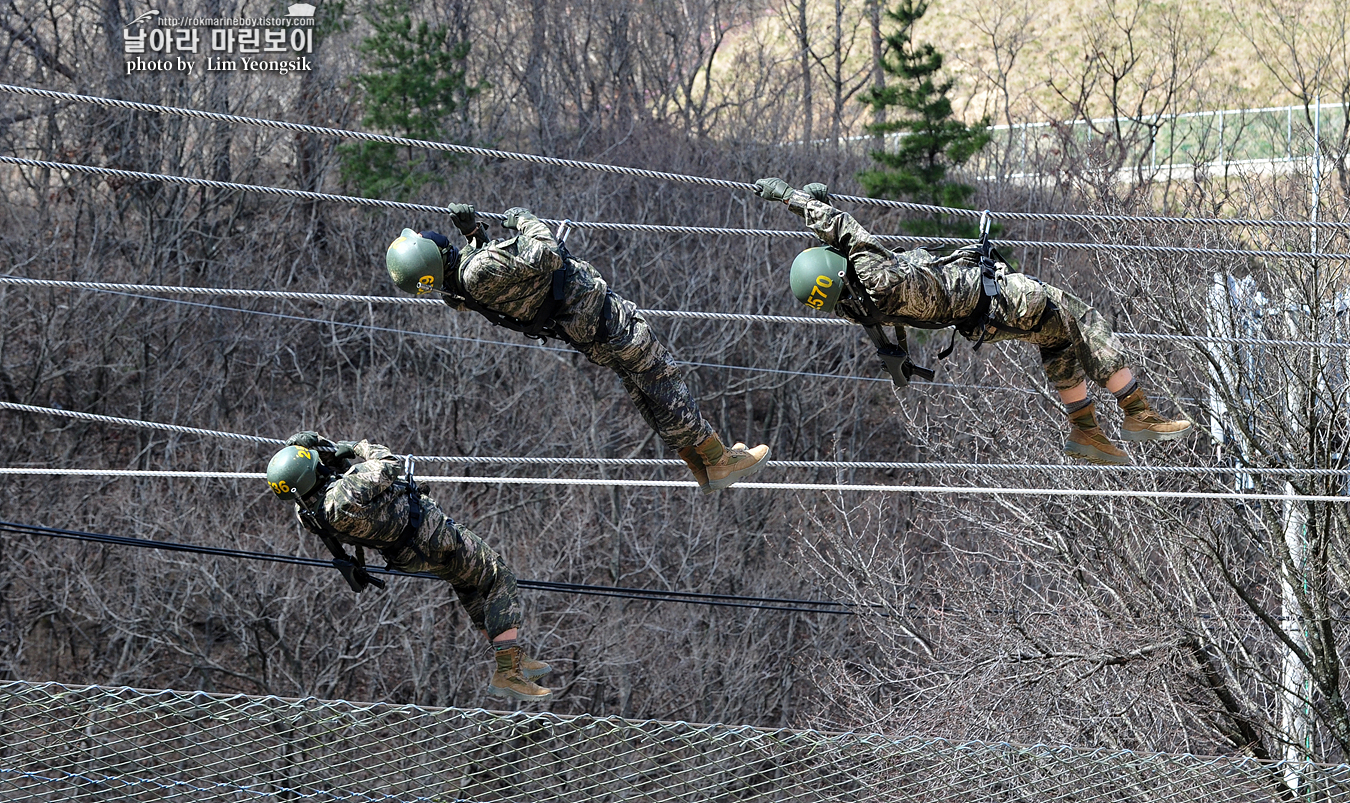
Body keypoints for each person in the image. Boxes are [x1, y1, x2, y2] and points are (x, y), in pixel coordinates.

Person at [753, 177, 1192, 465]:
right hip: (998, 297)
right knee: (1082, 318)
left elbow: (836, 259)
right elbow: (845, 230)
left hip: (987, 320)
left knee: (1057, 340)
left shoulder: (855, 306)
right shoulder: (875, 276)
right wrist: (793, 198)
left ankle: (1085, 430)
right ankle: (1138, 413)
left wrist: (819, 203)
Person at [384, 204, 770, 491]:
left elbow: (495, 270)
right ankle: (718, 459)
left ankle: (697, 463)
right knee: (664, 383)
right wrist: (524, 219)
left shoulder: (457, 291)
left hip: (586, 335)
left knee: (647, 395)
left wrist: (474, 233)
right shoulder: (478, 270)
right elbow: (545, 253)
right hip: (606, 317)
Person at [265, 432, 552, 702]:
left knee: (468, 585)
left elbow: (326, 473)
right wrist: (356, 446)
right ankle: (508, 673)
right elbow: (387, 464)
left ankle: (507, 655)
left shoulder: (308, 515)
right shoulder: (345, 493)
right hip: (433, 536)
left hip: (407, 555)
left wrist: (314, 444)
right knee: (498, 577)